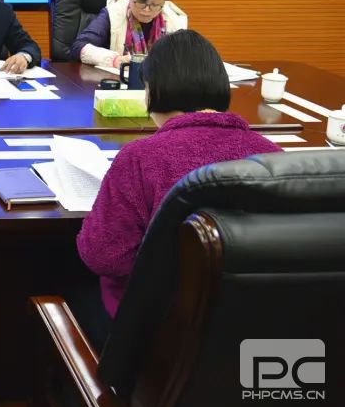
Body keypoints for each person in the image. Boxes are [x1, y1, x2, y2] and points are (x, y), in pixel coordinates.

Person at [76, 30, 281, 319]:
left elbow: (103, 257)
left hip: (153, 328)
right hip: (250, 320)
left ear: (153, 90)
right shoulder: (273, 156)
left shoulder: (140, 158)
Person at [70, 0, 187, 68]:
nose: (147, 10)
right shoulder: (113, 14)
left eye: (155, 5)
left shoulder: (174, 21)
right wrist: (115, 60)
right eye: (141, 2)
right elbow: (78, 47)